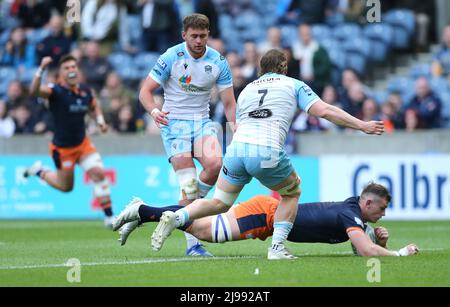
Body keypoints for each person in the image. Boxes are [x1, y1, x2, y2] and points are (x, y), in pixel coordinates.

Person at [150, 49, 384, 260]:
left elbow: (240, 122)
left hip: (237, 150)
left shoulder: (247, 90)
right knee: (292, 192)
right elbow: (324, 111)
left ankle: (178, 217)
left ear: (261, 69)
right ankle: (277, 248)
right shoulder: (294, 84)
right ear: (284, 67)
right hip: (266, 150)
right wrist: (362, 125)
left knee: (218, 202)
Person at [138, 13, 237, 256]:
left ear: (208, 35)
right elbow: (145, 91)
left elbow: (229, 103)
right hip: (174, 125)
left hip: (201, 122)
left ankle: (181, 208)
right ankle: (193, 246)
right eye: (194, 36)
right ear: (184, 36)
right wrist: (153, 110)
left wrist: (237, 129)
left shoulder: (218, 62)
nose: (199, 41)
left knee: (215, 165)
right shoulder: (171, 57)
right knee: (190, 185)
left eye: (203, 36)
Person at [114, 183, 418, 257]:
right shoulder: (349, 213)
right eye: (381, 209)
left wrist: (383, 240)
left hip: (268, 214)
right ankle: (142, 211)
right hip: (265, 215)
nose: (383, 214)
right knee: (201, 229)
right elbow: (365, 252)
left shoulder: (354, 214)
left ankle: (143, 211)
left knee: (200, 223)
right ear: (367, 202)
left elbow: (359, 249)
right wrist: (398, 253)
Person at [23, 55, 116, 228]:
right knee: (66, 187)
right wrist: (41, 69)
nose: (71, 70)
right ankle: (39, 171)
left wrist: (101, 121)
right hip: (63, 149)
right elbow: (34, 91)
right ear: (60, 73)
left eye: (73, 66)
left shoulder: (85, 91)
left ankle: (109, 216)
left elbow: (93, 106)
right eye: (66, 68)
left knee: (98, 173)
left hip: (83, 144)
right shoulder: (55, 91)